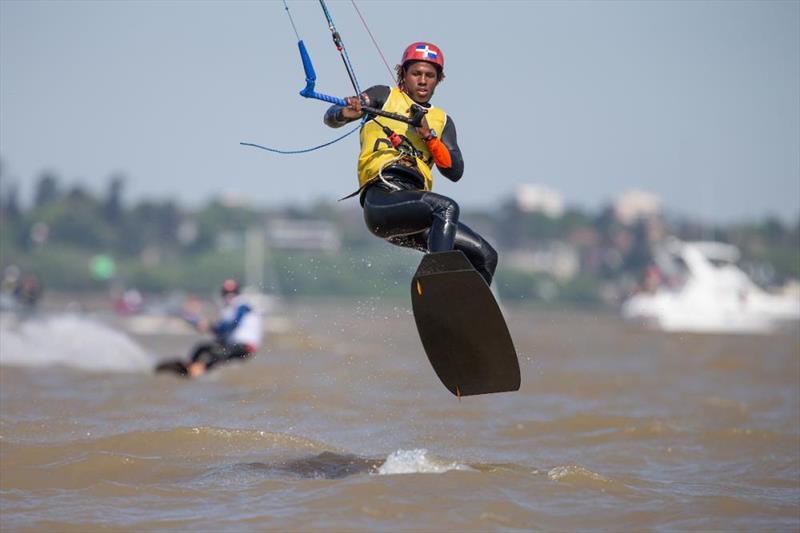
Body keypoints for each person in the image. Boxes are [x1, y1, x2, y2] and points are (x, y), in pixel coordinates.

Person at [324, 41, 498, 285]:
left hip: (417, 213)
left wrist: (428, 136)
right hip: (382, 200)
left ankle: (463, 315)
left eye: (430, 75)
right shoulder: (383, 96)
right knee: (446, 208)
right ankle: (438, 285)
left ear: (439, 80)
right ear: (403, 74)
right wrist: (344, 113)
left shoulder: (441, 121)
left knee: (486, 256)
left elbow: (454, 171)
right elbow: (330, 117)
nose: (423, 80)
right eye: (416, 74)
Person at [182, 279, 263, 377]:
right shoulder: (229, 309)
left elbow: (232, 324)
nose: (229, 295)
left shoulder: (242, 305)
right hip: (233, 344)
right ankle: (189, 369)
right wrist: (207, 327)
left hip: (244, 347)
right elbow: (221, 331)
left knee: (214, 356)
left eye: (233, 292)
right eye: (226, 293)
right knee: (202, 348)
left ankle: (195, 373)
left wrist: (210, 326)